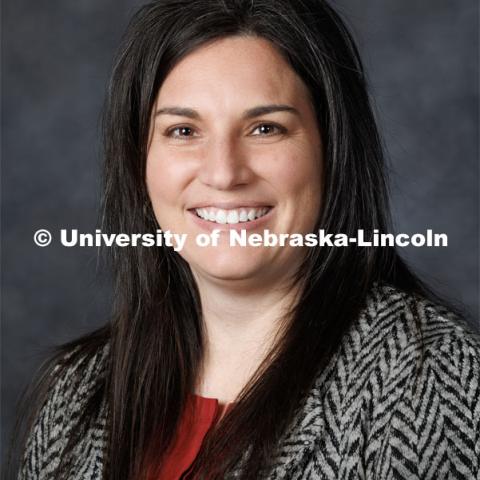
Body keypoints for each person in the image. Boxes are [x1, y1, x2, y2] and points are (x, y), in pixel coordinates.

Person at [13, 0, 479, 479]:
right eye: (183, 130)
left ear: (332, 149)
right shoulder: (76, 394)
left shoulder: (431, 376)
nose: (224, 172)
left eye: (265, 128)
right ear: (138, 162)